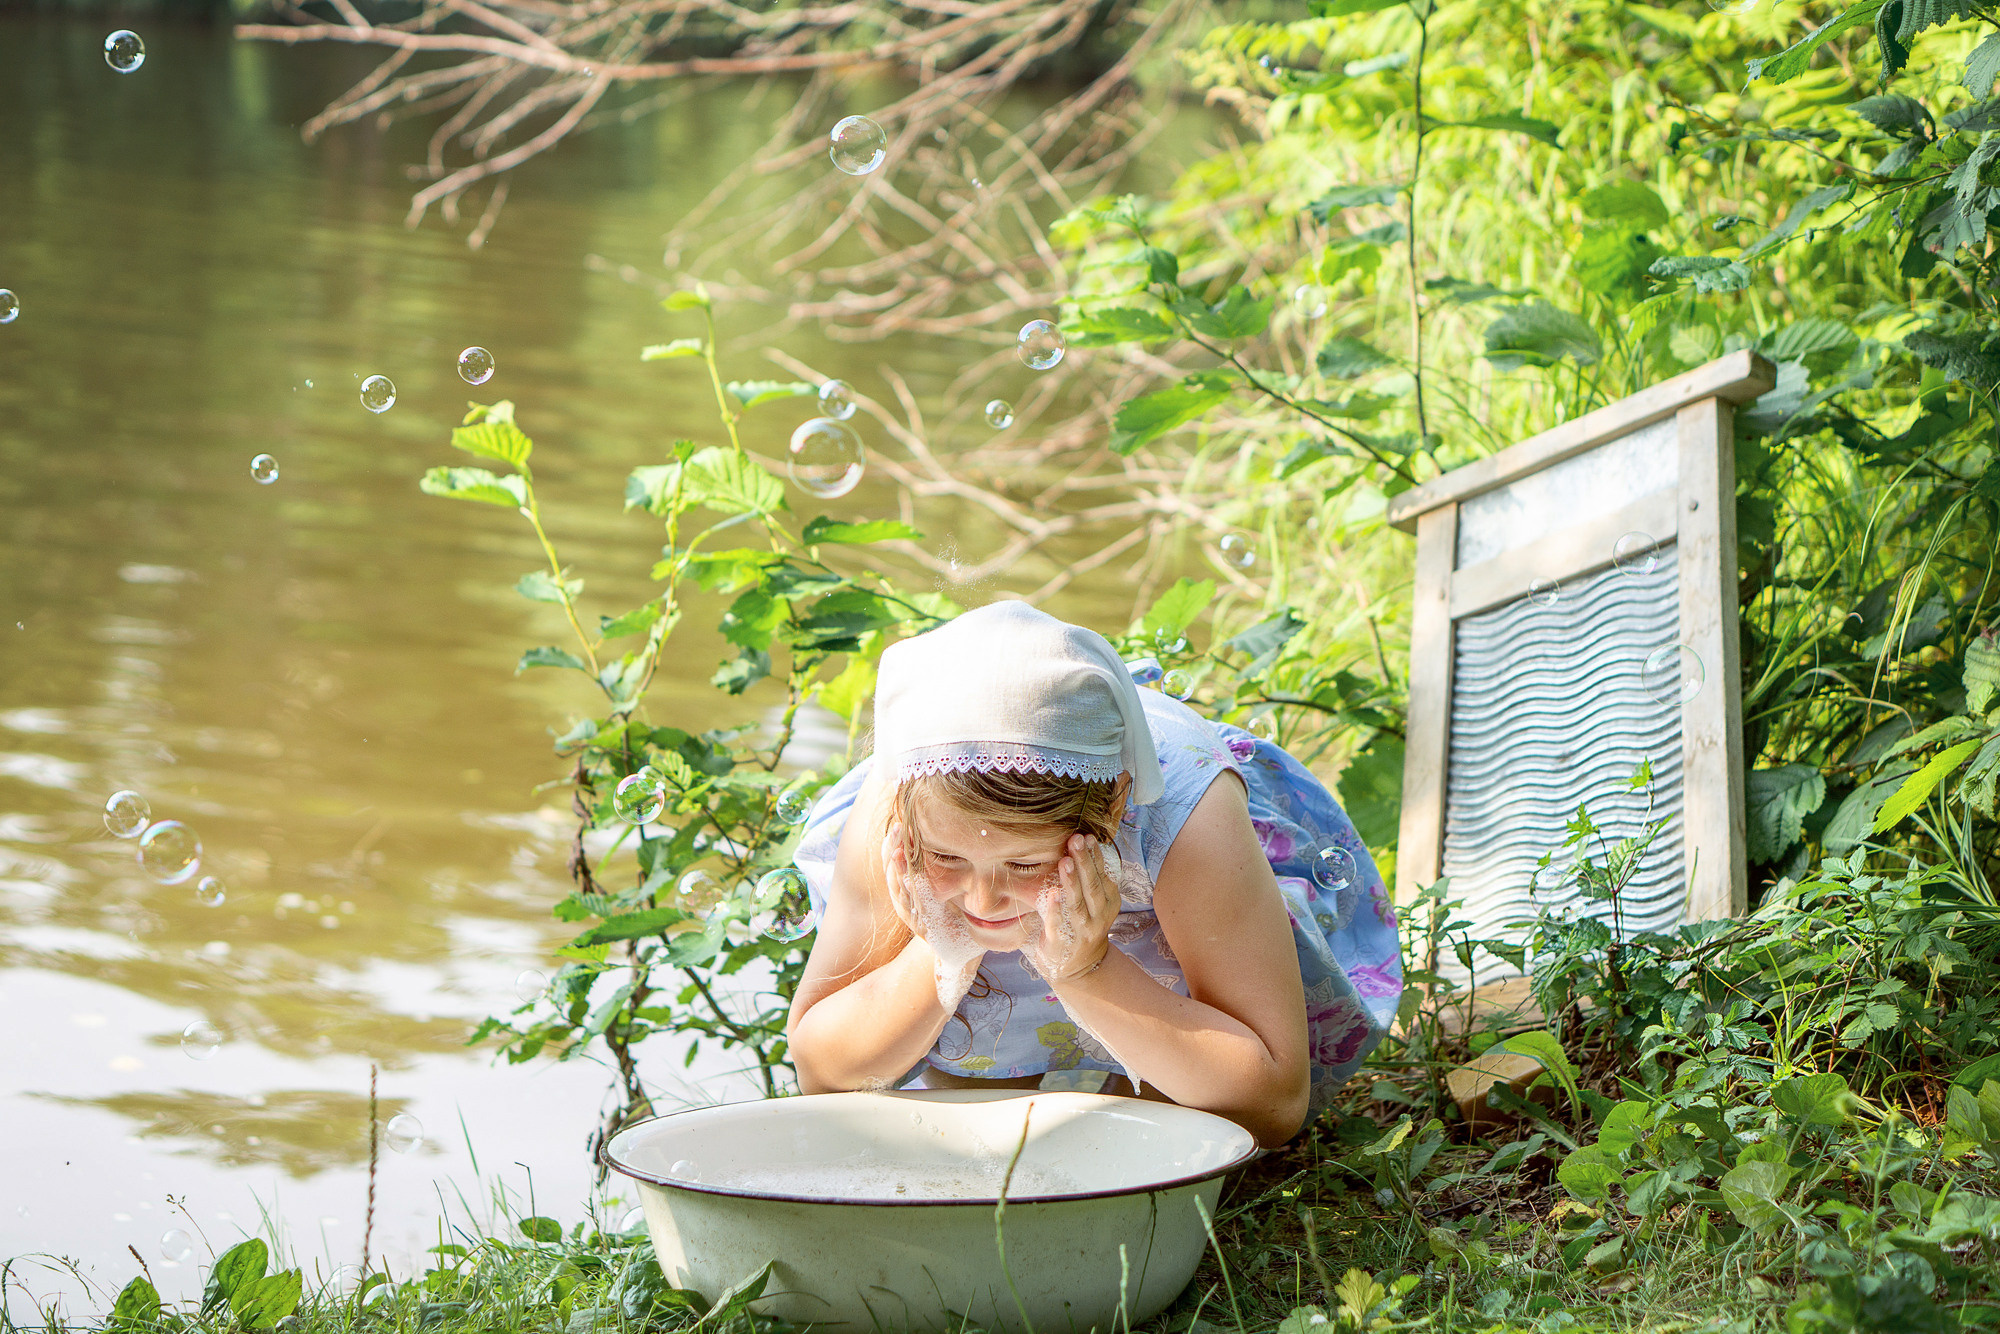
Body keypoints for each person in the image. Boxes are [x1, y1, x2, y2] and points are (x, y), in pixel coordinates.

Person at [785, 601, 1402, 1148]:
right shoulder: (900, 814)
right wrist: (940, 957)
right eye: (949, 858)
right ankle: (1003, 1089)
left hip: (1156, 917)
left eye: (1023, 864)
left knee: (1169, 1131)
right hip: (991, 866)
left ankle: (1134, 1106)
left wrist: (1086, 971)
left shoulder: (1184, 817)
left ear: (1110, 807)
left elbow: (1273, 1103)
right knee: (978, 1124)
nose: (983, 897)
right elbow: (822, 1072)